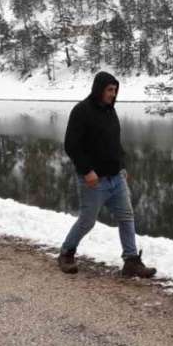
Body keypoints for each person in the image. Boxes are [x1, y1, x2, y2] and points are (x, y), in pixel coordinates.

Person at [58, 71, 155, 278]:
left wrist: (121, 164)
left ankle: (131, 260)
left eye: (115, 90)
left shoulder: (110, 111)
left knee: (127, 217)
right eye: (109, 90)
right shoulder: (81, 111)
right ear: (99, 89)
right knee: (87, 221)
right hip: (94, 181)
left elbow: (113, 141)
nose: (113, 94)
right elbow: (71, 145)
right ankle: (66, 253)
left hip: (116, 178)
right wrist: (87, 171)